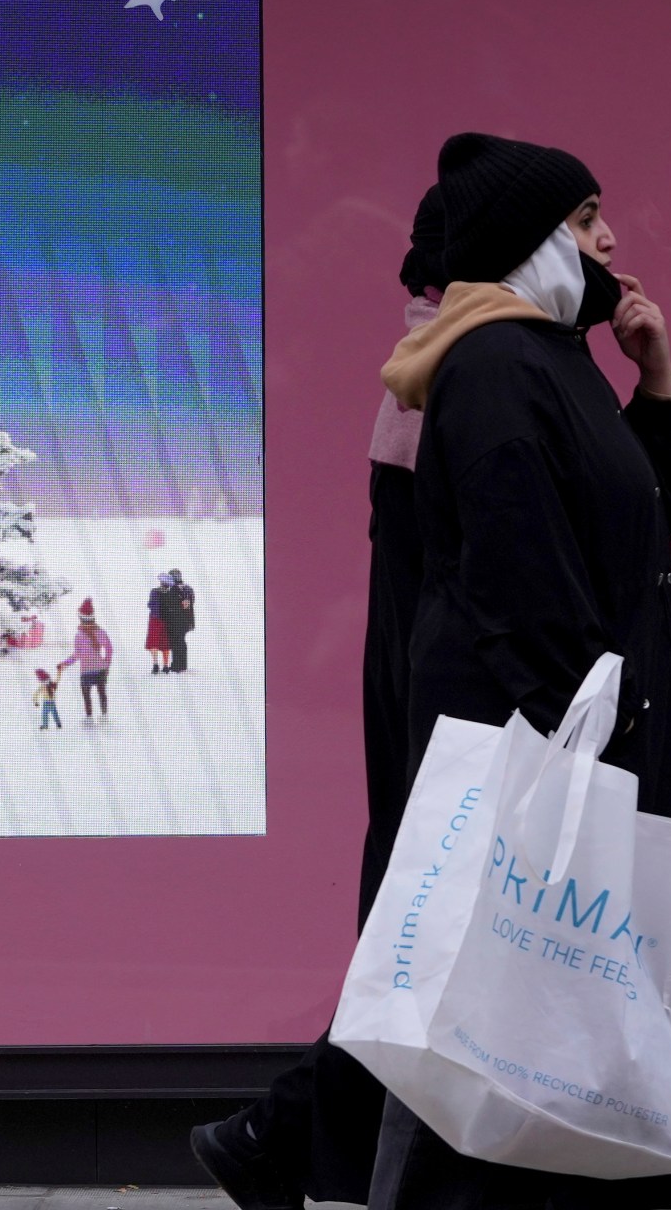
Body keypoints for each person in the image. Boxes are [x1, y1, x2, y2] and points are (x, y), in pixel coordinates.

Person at [376, 133, 671, 1209]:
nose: (611, 238)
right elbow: (521, 586)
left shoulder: (551, 360)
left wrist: (658, 380)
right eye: (586, 220)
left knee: (538, 1032)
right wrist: (600, 756)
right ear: (532, 241)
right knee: (562, 1028)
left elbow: (633, 525)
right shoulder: (492, 371)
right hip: (570, 763)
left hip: (604, 758)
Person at [190, 186, 453, 1210]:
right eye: (578, 220)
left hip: (431, 714)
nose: (602, 239)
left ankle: (275, 1134)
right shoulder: (447, 382)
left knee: (423, 956)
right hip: (454, 720)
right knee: (424, 958)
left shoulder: (430, 371)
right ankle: (276, 1130)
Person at [57, 599, 114, 721]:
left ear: (81, 618)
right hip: (101, 668)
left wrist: (64, 664)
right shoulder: (101, 631)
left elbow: (77, 655)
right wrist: (106, 663)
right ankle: (104, 715)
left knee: (86, 695)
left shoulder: (79, 635)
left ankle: (89, 717)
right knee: (102, 692)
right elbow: (109, 648)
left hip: (86, 670)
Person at [166, 569, 197, 672]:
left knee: (176, 642)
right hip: (187, 620)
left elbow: (171, 605)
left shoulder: (172, 589)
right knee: (181, 642)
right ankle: (182, 665)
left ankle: (177, 665)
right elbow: (191, 602)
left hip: (175, 620)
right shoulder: (188, 588)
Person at [145, 575, 172, 673]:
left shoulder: (154, 591)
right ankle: (165, 666)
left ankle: (155, 664)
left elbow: (150, 604)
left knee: (154, 642)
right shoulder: (171, 593)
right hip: (167, 620)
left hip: (155, 620)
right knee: (165, 643)